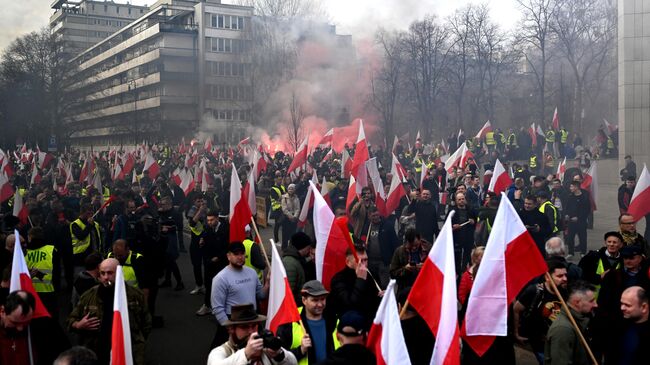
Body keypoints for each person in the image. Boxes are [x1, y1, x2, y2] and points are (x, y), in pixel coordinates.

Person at [67, 258, 151, 365]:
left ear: (119, 273)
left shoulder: (135, 296)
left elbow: (146, 323)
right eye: (103, 273)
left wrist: (137, 341)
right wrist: (78, 325)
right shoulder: (89, 296)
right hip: (97, 352)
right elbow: (70, 319)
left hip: (127, 353)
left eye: (110, 273)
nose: (106, 277)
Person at [211, 242, 270, 347]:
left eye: (242, 253)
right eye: (236, 254)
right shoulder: (221, 278)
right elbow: (217, 308)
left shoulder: (252, 273)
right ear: (228, 256)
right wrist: (230, 329)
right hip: (233, 321)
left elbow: (261, 295)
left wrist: (268, 283)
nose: (240, 257)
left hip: (252, 319)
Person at [513, 259, 568, 364]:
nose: (565, 279)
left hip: (559, 342)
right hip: (540, 344)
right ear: (547, 277)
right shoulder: (534, 291)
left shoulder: (566, 291)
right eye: (559, 276)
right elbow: (516, 309)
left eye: (565, 275)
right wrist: (517, 334)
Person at [207, 303, 296, 365]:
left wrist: (279, 355)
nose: (251, 331)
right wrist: (245, 354)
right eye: (244, 327)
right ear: (231, 329)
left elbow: (293, 362)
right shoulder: (221, 351)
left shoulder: (264, 347)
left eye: (254, 326)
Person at [278, 280, 338, 364]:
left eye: (323, 299)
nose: (320, 304)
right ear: (304, 300)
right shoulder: (290, 321)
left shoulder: (335, 320)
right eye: (315, 300)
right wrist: (300, 350)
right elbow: (278, 356)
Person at [543, 280, 598, 365]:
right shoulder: (563, 329)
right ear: (577, 302)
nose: (596, 305)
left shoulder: (579, 320)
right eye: (591, 301)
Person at [329, 246, 382, 323]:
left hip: (371, 323)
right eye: (359, 261)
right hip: (351, 326)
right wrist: (360, 280)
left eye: (366, 260)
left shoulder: (371, 274)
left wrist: (383, 296)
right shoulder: (339, 279)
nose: (364, 264)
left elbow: (374, 301)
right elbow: (349, 305)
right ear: (348, 262)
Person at [196, 210, 230, 316]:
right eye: (208, 220)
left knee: (220, 285)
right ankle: (207, 305)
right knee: (209, 284)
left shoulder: (225, 229)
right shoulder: (207, 228)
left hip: (221, 263)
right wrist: (201, 241)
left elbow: (227, 247)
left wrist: (219, 257)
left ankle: (221, 306)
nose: (209, 222)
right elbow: (204, 238)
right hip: (209, 261)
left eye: (211, 220)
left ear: (217, 218)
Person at [605, 286, 650, 364]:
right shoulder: (617, 327)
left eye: (627, 305)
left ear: (644, 307)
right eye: (621, 303)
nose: (622, 308)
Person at [366, 206, 399, 287]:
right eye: (373, 216)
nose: (376, 217)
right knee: (374, 285)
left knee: (384, 285)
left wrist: (393, 260)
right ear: (369, 216)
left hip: (383, 261)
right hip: (370, 261)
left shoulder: (387, 225)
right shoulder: (366, 227)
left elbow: (395, 243)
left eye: (377, 215)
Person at [0, 290, 35, 365]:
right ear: (2, 311)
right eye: (15, 323)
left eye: (26, 323)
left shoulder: (38, 328)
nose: (20, 328)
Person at [449, 191, 478, 273]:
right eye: (459, 199)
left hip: (468, 238)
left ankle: (467, 274)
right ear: (456, 201)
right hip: (457, 238)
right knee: (457, 259)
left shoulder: (470, 209)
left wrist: (473, 222)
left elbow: (476, 221)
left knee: (468, 258)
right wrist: (453, 227)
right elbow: (446, 225)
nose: (461, 200)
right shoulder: (452, 212)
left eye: (463, 199)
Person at [282, 232, 312, 307]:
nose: (309, 251)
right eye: (308, 248)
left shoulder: (296, 259)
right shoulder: (290, 263)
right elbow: (288, 291)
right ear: (303, 247)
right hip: (293, 307)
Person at [69, 204, 101, 271]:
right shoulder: (75, 224)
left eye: (92, 212)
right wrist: (89, 225)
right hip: (81, 257)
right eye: (88, 213)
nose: (91, 214)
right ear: (82, 213)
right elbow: (81, 236)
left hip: (94, 255)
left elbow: (98, 238)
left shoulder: (95, 224)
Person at [564, 181, 591, 257]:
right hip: (571, 221)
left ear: (576, 187)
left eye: (571, 186)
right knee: (570, 238)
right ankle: (570, 253)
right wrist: (567, 215)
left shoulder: (584, 197)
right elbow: (567, 207)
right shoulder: (570, 196)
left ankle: (583, 252)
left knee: (582, 237)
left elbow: (587, 210)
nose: (570, 188)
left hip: (581, 222)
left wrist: (578, 218)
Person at [281, 184, 301, 249]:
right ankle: (284, 247)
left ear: (294, 190)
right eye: (289, 189)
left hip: (294, 219)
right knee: (285, 234)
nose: (290, 190)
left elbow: (297, 208)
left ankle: (291, 248)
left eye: (292, 189)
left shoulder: (296, 198)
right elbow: (284, 209)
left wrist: (295, 216)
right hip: (286, 218)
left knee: (293, 234)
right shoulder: (284, 197)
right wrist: (291, 216)